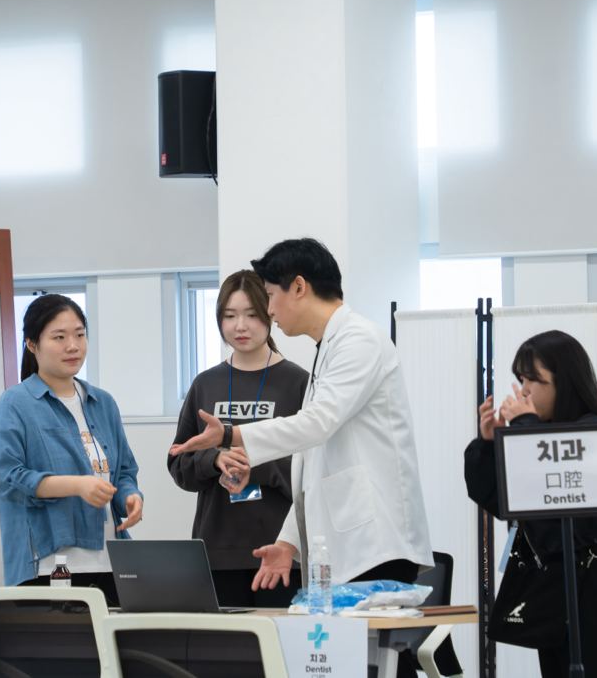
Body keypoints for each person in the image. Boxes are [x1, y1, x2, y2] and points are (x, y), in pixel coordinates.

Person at [169, 238, 433, 592]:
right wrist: (288, 542)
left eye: (270, 296)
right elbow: (312, 465)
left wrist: (232, 435)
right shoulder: (328, 348)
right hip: (343, 543)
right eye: (231, 315)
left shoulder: (358, 341)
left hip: (375, 543)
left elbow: (316, 425)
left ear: (298, 287)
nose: (270, 310)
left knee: (376, 647)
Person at [464, 330, 597, 677]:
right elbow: (501, 501)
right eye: (520, 379)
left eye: (534, 380)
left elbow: (570, 517)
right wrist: (487, 442)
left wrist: (525, 427)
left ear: (564, 382)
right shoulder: (541, 433)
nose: (524, 390)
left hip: (596, 597)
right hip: (555, 595)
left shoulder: (594, 433)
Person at [0, 294, 143, 604]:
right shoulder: (15, 403)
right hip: (47, 566)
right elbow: (6, 478)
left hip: (111, 562)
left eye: (80, 335)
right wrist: (76, 485)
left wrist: (130, 495)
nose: (73, 345)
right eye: (59, 337)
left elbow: (123, 469)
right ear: (32, 344)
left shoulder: (103, 402)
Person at [168, 269, 308, 608]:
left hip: (281, 552)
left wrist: (253, 462)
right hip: (215, 552)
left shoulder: (299, 383)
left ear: (269, 315)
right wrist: (215, 459)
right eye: (229, 316)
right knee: (224, 654)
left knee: (280, 653)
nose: (240, 326)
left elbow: (312, 470)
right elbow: (178, 461)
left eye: (251, 315)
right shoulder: (206, 383)